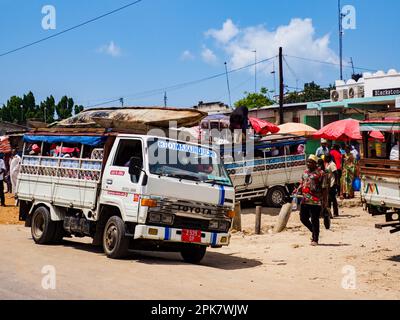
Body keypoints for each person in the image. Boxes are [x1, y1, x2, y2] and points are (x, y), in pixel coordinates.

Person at [294, 154, 328, 246]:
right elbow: (302, 183)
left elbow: (324, 188)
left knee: (314, 219)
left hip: (316, 200)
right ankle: (314, 231)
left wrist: (325, 201)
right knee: (303, 218)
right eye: (307, 162)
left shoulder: (321, 173)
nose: (308, 163)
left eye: (310, 162)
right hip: (305, 199)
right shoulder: (305, 173)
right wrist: (298, 189)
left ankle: (315, 239)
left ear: (315, 163)